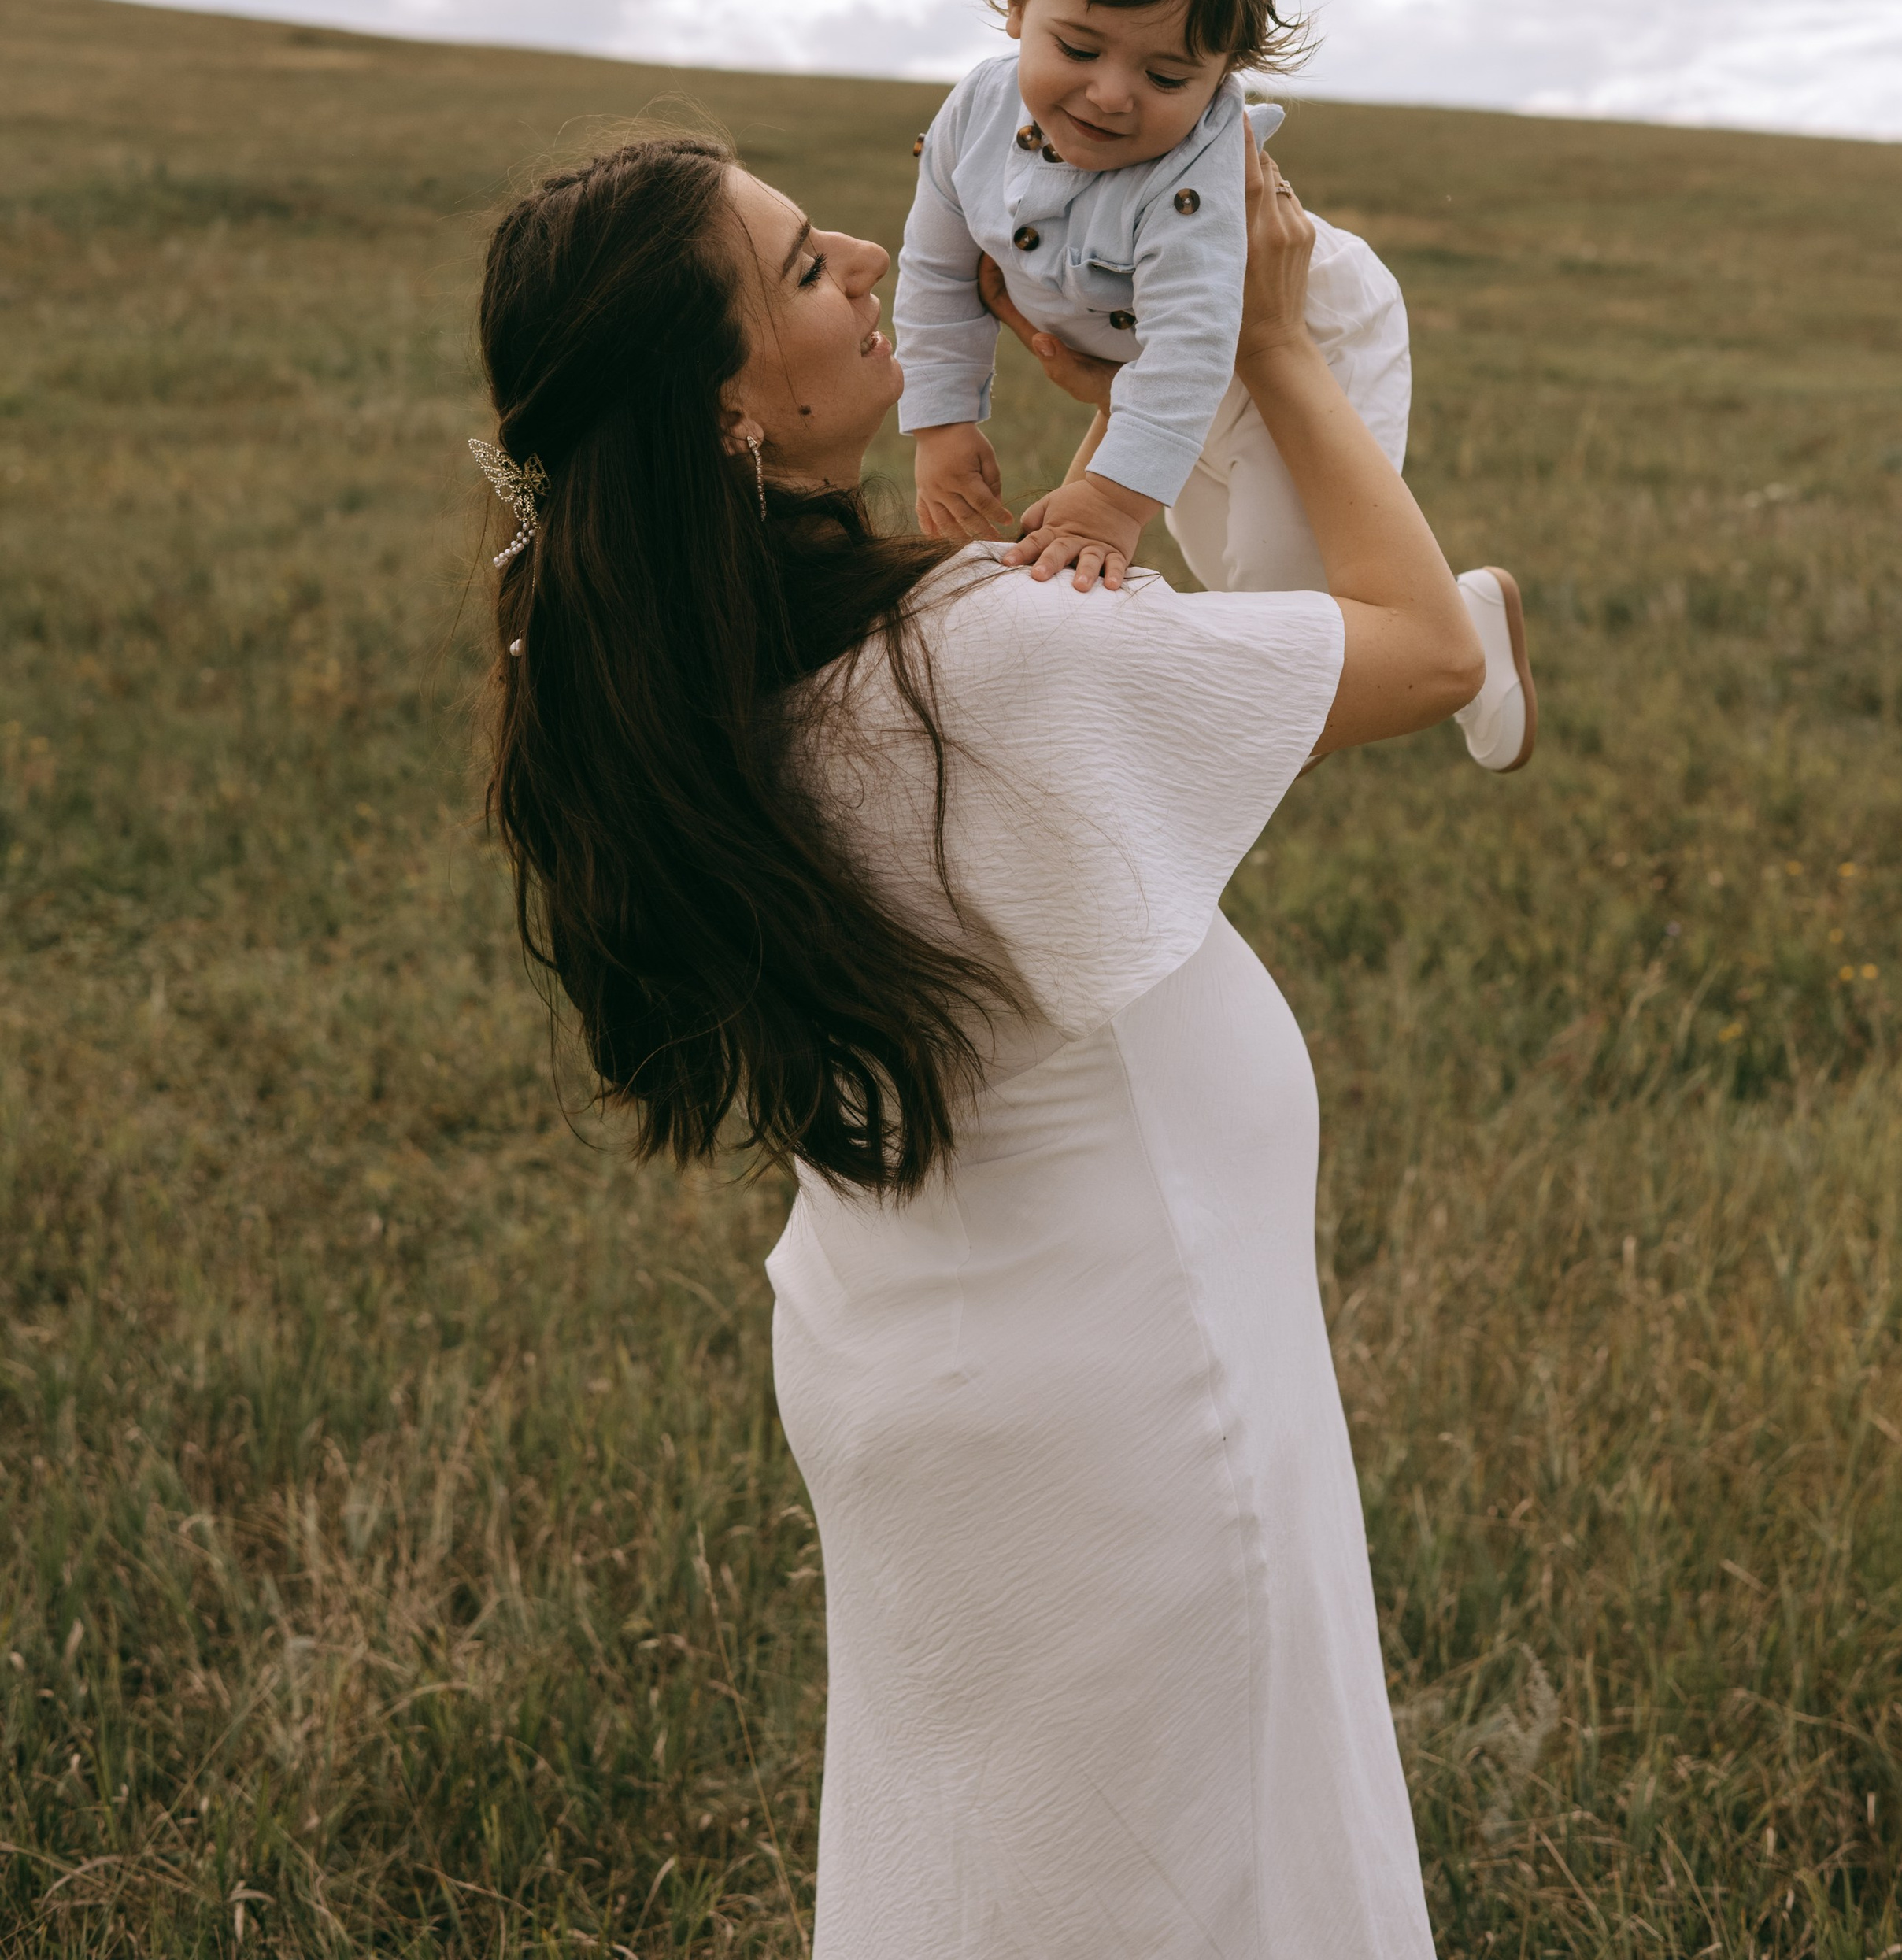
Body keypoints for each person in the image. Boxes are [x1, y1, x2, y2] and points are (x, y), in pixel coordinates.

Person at [472, 123, 1479, 1959]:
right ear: (727, 412)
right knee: (1195, 1885)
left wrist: (1128, 438)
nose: (869, 254)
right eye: (800, 268)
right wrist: (1260, 346)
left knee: (987, 1878)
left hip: (915, 1379)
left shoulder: (683, 685)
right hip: (1135, 1398)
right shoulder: (973, 659)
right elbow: (1424, 648)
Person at [894, 0, 1535, 771]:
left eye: (1166, 74)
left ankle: (1439, 649)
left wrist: (1111, 502)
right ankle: (1461, 621)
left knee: (1280, 610)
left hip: (1301, 333)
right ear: (1018, 2)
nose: (1112, 93)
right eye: (1078, 48)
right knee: (1223, 574)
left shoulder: (1194, 173)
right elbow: (938, 273)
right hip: (1170, 371)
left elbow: (1200, 337)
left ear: (1224, 74)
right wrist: (942, 426)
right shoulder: (971, 118)